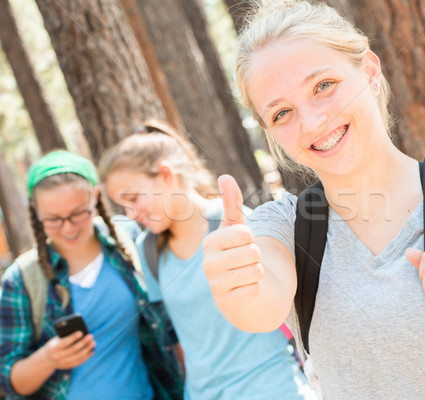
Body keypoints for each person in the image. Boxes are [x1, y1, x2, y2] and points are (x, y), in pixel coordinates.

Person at [201, 1, 425, 399]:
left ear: (368, 71)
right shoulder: (284, 227)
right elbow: (260, 305)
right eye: (282, 113)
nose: (312, 122)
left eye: (323, 86)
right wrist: (239, 285)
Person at [99, 121, 315, 400]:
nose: (131, 213)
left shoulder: (233, 222)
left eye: (133, 198)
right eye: (123, 205)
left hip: (273, 388)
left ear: (165, 174)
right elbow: (179, 339)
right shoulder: (148, 250)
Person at [0, 151, 184, 400]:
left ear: (94, 197)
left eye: (78, 214)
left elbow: (169, 326)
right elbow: (11, 380)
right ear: (35, 211)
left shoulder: (127, 240)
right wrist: (47, 358)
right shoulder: (21, 279)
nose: (68, 228)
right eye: (53, 219)